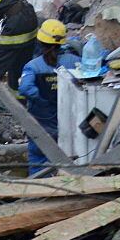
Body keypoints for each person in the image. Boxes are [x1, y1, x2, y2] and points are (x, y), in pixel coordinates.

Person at [19, 20, 80, 175]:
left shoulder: (33, 66)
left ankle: (39, 191)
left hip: (42, 123)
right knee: (70, 160)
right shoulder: (74, 61)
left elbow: (25, 88)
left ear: (40, 41)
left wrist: (40, 100)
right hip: (70, 122)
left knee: (38, 161)